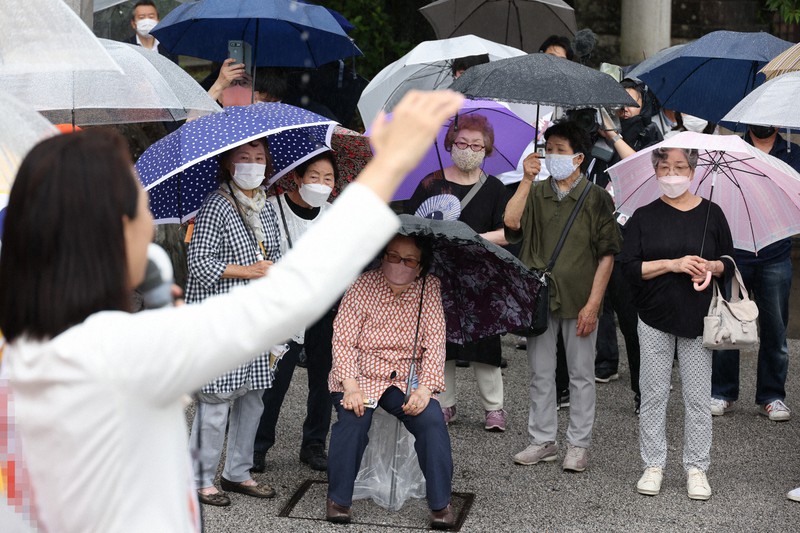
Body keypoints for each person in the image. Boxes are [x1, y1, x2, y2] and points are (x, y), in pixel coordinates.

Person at [0, 89, 465, 532]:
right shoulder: (120, 352)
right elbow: (288, 295)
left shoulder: (22, 355)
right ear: (116, 231)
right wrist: (387, 168)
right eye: (139, 198)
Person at [504, 121, 621, 472]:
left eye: (560, 150)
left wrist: (594, 304)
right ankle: (542, 440)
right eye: (548, 148)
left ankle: (578, 444)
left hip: (580, 297)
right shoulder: (536, 193)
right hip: (540, 296)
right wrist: (526, 179)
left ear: (579, 157)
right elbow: (511, 223)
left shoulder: (596, 197)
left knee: (581, 374)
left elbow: (607, 255)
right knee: (541, 372)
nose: (552, 155)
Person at [621, 147, 734, 500]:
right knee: (653, 395)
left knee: (698, 399)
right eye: (665, 166)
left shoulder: (712, 214)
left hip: (698, 319)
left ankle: (697, 467)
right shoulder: (643, 216)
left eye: (680, 166)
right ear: (655, 171)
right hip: (653, 317)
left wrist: (710, 269)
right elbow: (629, 268)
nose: (672, 173)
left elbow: (728, 260)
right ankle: (653, 464)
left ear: (693, 170)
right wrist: (672, 263)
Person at [326, 234, 454, 529]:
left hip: (406, 378)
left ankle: (440, 504)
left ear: (420, 267)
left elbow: (435, 344)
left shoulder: (429, 288)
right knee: (353, 420)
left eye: (409, 260)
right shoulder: (362, 285)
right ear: (383, 256)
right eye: (393, 256)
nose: (400, 264)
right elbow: (343, 341)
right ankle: (338, 499)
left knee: (432, 420)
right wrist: (351, 387)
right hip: (361, 375)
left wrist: (425, 389)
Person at [185, 138, 283, 506]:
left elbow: (273, 253)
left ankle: (237, 472)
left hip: (257, 316)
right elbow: (199, 263)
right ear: (229, 163)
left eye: (259, 158)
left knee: (254, 397)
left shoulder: (265, 205)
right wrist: (249, 271)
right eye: (245, 158)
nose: (253, 165)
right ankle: (199, 478)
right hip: (221, 318)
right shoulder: (216, 205)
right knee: (216, 399)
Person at [405, 113, 511, 431]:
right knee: (440, 342)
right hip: (438, 274)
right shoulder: (431, 183)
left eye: (476, 144)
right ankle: (444, 403)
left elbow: (506, 233)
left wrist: (472, 238)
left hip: (481, 276)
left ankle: (494, 409)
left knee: (486, 343)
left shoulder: (493, 188)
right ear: (450, 144)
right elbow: (411, 225)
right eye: (462, 142)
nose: (468, 148)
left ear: (486, 149)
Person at [252, 152, 338, 473]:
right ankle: (258, 445)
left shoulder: (333, 215)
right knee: (275, 379)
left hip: (322, 309)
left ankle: (314, 444)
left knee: (324, 380)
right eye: (313, 177)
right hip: (283, 310)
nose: (320, 184)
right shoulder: (272, 209)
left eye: (328, 179)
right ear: (298, 178)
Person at [711, 124, 800, 422]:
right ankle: (722, 392)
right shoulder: (730, 153)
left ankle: (772, 396)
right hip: (735, 254)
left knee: (775, 330)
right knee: (728, 326)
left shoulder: (793, 154)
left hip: (776, 252)